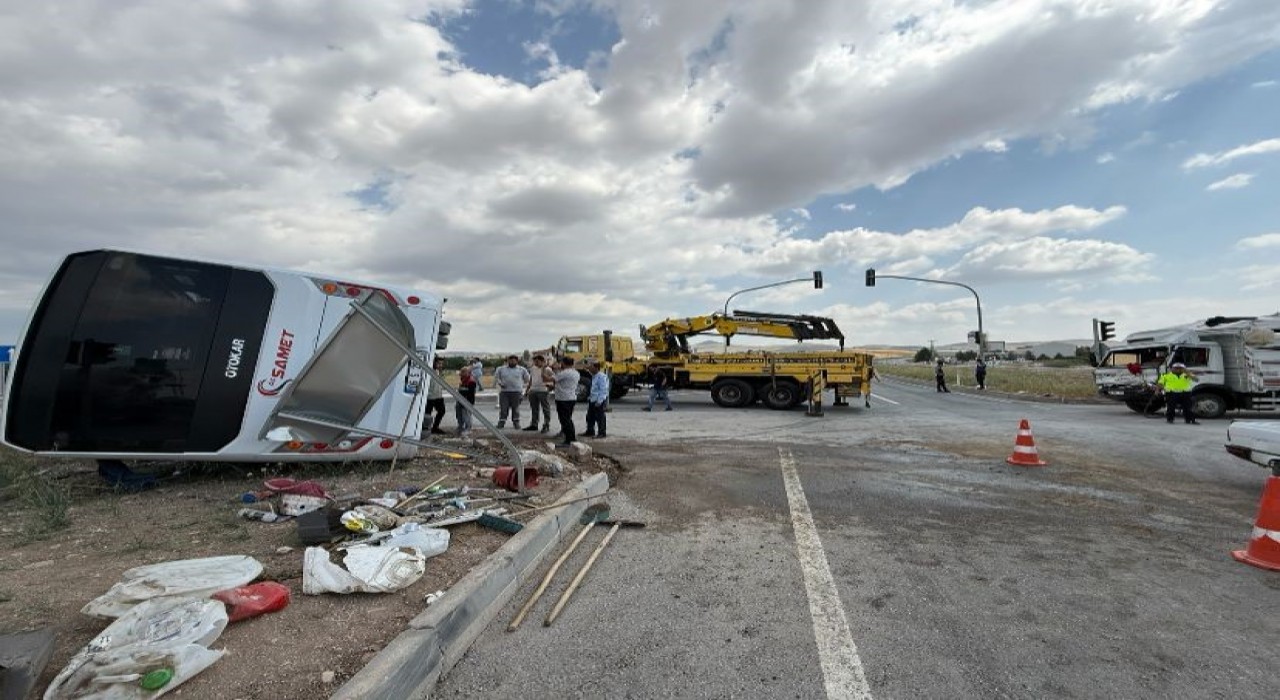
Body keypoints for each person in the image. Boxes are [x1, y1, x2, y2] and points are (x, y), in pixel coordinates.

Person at [493, 354, 530, 429]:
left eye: (514, 360)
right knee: (503, 408)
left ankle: (516, 422)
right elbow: (496, 378)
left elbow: (527, 379)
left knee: (515, 408)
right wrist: (500, 383)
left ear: (517, 361)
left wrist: (522, 386)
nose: (512, 361)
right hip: (504, 392)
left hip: (516, 392)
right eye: (510, 360)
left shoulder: (522, 369)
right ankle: (501, 422)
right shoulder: (501, 369)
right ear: (508, 361)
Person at [523, 354, 555, 433]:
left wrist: (550, 387)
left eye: (537, 361)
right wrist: (527, 390)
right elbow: (531, 379)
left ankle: (546, 424)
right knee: (534, 409)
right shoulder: (533, 368)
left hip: (543, 391)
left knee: (545, 409)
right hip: (533, 390)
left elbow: (553, 379)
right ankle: (534, 424)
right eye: (535, 361)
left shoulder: (547, 369)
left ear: (542, 361)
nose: (536, 363)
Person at [553, 357, 580, 446]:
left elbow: (551, 379)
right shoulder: (575, 372)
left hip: (563, 398)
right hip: (571, 398)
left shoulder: (565, 373)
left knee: (565, 419)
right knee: (567, 418)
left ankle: (569, 439)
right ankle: (570, 438)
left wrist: (552, 369)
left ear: (564, 363)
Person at [583, 361, 610, 438]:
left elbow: (603, 390)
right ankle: (590, 431)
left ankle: (601, 433)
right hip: (592, 399)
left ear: (596, 368)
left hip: (598, 400)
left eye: (591, 367)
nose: (590, 369)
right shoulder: (594, 376)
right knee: (590, 417)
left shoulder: (601, 377)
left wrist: (600, 401)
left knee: (600, 417)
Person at [424, 357, 447, 434]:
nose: (440, 365)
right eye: (439, 363)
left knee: (442, 411)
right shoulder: (428, 371)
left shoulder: (438, 372)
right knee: (427, 413)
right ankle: (424, 428)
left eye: (442, 364)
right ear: (434, 363)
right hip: (430, 397)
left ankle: (435, 428)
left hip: (438, 396)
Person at [455, 366, 478, 435]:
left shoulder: (471, 381)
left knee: (466, 415)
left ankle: (468, 428)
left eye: (462, 372)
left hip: (467, 401)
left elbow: (471, 393)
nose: (460, 374)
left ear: (467, 373)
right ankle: (460, 426)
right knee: (459, 414)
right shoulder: (463, 380)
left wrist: (462, 391)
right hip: (460, 400)